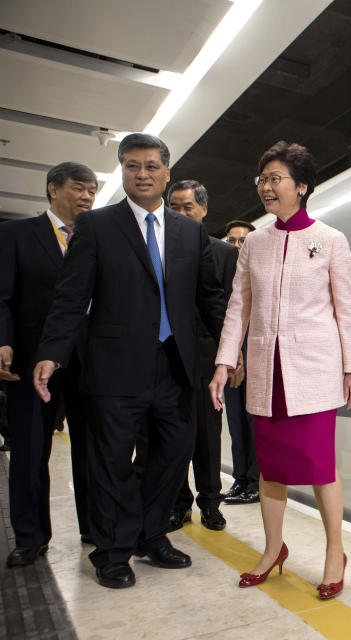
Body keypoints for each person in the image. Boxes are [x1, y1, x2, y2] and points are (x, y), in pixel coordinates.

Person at [32, 134, 225, 589]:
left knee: (174, 455)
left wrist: (232, 352)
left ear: (166, 172)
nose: (143, 174)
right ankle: (114, 551)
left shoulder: (189, 231)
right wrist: (51, 353)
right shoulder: (97, 226)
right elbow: (71, 297)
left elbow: (210, 299)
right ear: (121, 170)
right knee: (111, 462)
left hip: (174, 368)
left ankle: (150, 534)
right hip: (114, 367)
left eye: (152, 166)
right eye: (133, 166)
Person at [209, 141, 351, 598]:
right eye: (263, 180)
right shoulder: (254, 243)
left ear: (302, 186)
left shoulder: (331, 240)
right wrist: (224, 361)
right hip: (265, 372)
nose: (267, 187)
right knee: (270, 469)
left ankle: (335, 552)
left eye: (276, 179)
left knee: (320, 467)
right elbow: (239, 306)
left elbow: (346, 310)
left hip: (314, 372)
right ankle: (274, 548)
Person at [0, 162, 98, 566]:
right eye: (79, 188)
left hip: (90, 360)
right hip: (30, 357)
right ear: (53, 189)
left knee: (93, 449)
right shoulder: (16, 234)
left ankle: (95, 526)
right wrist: (3, 341)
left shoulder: (98, 237)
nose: (88, 197)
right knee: (29, 449)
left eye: (92, 190)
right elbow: (2, 297)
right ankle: (30, 536)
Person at [166, 180, 237, 531]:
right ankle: (178, 503)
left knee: (208, 436)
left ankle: (211, 503)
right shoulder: (158, 249)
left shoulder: (224, 254)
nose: (180, 214)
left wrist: (231, 357)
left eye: (187, 207)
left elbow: (230, 310)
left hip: (208, 358)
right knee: (170, 434)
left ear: (204, 210)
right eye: (174, 207)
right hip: (165, 358)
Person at [221, 219, 260, 505]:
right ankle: (240, 479)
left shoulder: (261, 276)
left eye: (243, 240)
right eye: (232, 240)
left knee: (253, 423)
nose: (237, 246)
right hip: (231, 358)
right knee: (235, 423)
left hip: (257, 358)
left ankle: (256, 482)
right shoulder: (224, 278)